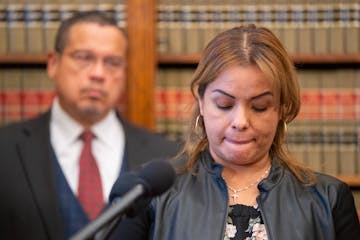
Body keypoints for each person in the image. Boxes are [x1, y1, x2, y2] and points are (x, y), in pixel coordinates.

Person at [110, 24, 360, 239]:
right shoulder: (151, 196)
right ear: (201, 100)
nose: (240, 121)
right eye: (224, 105)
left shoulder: (328, 199)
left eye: (260, 107)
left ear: (283, 107)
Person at [0, 11, 179, 240]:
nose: (98, 74)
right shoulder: (5, 150)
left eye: (112, 62)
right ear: (53, 63)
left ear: (125, 73)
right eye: (84, 58)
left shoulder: (167, 159)